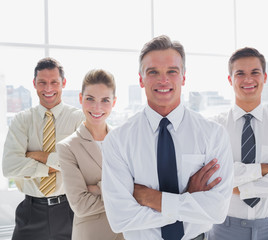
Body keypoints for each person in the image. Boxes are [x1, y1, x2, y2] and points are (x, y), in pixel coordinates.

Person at [101, 35, 234, 240]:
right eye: (153, 72)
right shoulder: (118, 141)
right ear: (141, 79)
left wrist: (152, 198)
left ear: (183, 77)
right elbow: (121, 218)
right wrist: (188, 200)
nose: (163, 80)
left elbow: (217, 210)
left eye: (172, 71)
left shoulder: (213, 134)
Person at [208, 47, 268, 240]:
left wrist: (234, 187)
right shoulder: (213, 127)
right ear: (230, 80)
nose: (248, 79)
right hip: (224, 229)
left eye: (255, 72)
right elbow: (211, 177)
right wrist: (264, 169)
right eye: (240, 74)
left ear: (265, 77)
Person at [2, 57, 84, 240]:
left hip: (70, 212)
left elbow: (82, 165)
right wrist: (57, 165)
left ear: (63, 83)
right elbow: (9, 167)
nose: (48, 88)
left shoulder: (78, 120)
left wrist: (37, 155)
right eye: (42, 82)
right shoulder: (22, 120)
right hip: (31, 212)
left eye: (54, 82)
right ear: (34, 84)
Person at [56, 69, 124, 240]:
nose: (97, 107)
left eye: (105, 100)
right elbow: (80, 205)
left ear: (114, 102)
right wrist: (124, 194)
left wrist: (98, 188)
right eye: (90, 99)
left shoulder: (123, 140)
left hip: (128, 232)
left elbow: (141, 185)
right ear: (81, 99)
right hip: (92, 234)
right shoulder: (68, 147)